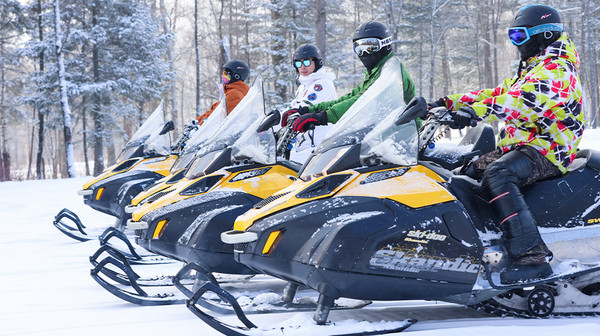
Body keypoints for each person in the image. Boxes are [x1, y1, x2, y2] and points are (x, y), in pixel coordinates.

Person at [431, 4, 585, 283]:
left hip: (549, 148)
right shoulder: (535, 67)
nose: (516, 44)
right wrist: (450, 102)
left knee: (498, 173)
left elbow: (519, 101)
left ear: (544, 35)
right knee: (465, 174)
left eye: (519, 36)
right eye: (512, 36)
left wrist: (478, 112)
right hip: (525, 144)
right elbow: (498, 92)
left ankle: (531, 254)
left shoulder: (558, 71)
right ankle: (481, 244)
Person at [282, 21, 415, 133]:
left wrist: (323, 117)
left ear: (385, 44)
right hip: (384, 135)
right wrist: (308, 110)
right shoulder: (376, 71)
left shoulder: (392, 72)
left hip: (404, 137)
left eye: (370, 47)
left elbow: (364, 102)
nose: (363, 53)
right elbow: (351, 98)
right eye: (358, 48)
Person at [196, 59, 250, 125]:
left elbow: (215, 116)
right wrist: (196, 122)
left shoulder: (234, 94)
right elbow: (212, 111)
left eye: (226, 74)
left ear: (236, 76)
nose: (223, 76)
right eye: (223, 73)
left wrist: (199, 127)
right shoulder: (235, 92)